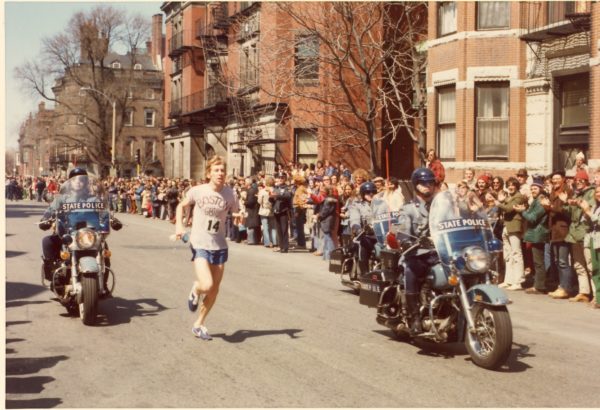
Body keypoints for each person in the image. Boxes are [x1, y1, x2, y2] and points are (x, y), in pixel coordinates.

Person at [175, 156, 239, 341]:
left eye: (222, 170)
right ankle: (195, 289)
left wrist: (239, 216)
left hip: (219, 245)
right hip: (200, 242)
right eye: (216, 170)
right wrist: (179, 226)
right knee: (206, 284)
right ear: (209, 173)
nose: (220, 173)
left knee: (214, 290)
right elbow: (181, 205)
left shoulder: (230, 194)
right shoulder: (197, 191)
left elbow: (234, 212)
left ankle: (199, 324)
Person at [396, 168, 438, 335]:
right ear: (416, 185)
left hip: (438, 253)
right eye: (423, 183)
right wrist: (405, 240)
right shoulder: (408, 208)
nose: (428, 186)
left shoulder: (440, 205)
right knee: (411, 270)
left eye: (431, 182)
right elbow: (402, 227)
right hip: (416, 253)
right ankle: (414, 318)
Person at [562, 170, 595, 303]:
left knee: (591, 265)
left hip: (585, 230)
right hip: (574, 232)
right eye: (577, 180)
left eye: (581, 180)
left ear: (586, 181)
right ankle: (584, 292)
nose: (578, 182)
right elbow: (570, 213)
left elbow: (589, 208)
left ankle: (596, 294)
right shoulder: (576, 193)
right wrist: (566, 203)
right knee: (578, 264)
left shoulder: (591, 192)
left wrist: (578, 203)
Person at [515, 175, 550, 294]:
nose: (533, 190)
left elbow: (533, 218)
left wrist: (522, 211)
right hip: (535, 234)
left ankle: (540, 286)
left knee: (539, 262)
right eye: (532, 188)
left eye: (535, 188)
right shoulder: (535, 200)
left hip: (538, 234)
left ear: (540, 189)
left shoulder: (540, 201)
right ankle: (538, 284)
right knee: (537, 261)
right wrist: (524, 209)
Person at [495, 177, 526, 290]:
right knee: (508, 255)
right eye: (508, 185)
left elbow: (508, 209)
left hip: (514, 226)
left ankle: (518, 281)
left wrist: (498, 203)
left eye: (513, 185)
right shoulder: (510, 197)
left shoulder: (519, 197)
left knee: (516, 253)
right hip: (506, 226)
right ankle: (509, 280)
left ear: (517, 186)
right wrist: (502, 202)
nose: (510, 187)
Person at [347, 181, 378, 275]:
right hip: (363, 235)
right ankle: (364, 274)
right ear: (363, 193)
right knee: (363, 244)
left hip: (379, 235)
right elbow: (354, 219)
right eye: (368, 192)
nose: (371, 194)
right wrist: (357, 228)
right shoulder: (356, 205)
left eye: (373, 192)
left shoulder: (380, 204)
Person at [270, 173, 293, 253]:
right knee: (278, 229)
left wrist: (277, 195)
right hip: (276, 210)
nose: (280, 179)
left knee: (284, 229)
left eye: (282, 178)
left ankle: (285, 247)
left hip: (284, 210)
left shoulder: (287, 188)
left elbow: (288, 196)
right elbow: (272, 198)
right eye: (279, 178)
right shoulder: (276, 188)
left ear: (285, 179)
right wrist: (271, 198)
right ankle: (281, 245)